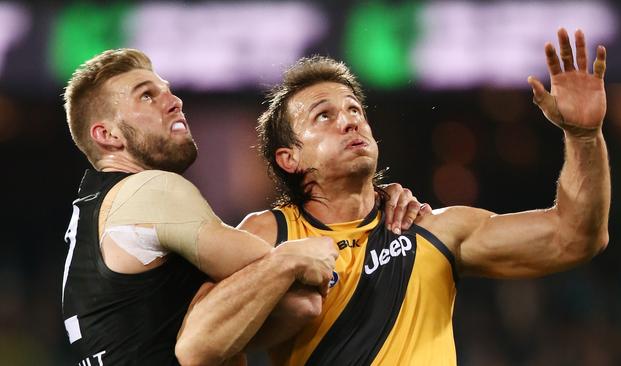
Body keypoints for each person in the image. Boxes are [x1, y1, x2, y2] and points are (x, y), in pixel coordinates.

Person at [200, 28, 607, 365]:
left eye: (355, 110)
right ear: (290, 158)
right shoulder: (268, 236)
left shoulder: (432, 227)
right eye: (324, 115)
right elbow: (198, 341)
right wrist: (280, 267)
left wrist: (584, 136)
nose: (349, 122)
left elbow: (574, 238)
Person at [60, 48, 423, 365]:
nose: (174, 101)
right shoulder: (153, 188)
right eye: (146, 96)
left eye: (167, 91)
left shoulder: (92, 210)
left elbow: (289, 304)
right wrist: (363, 211)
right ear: (107, 135)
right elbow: (303, 279)